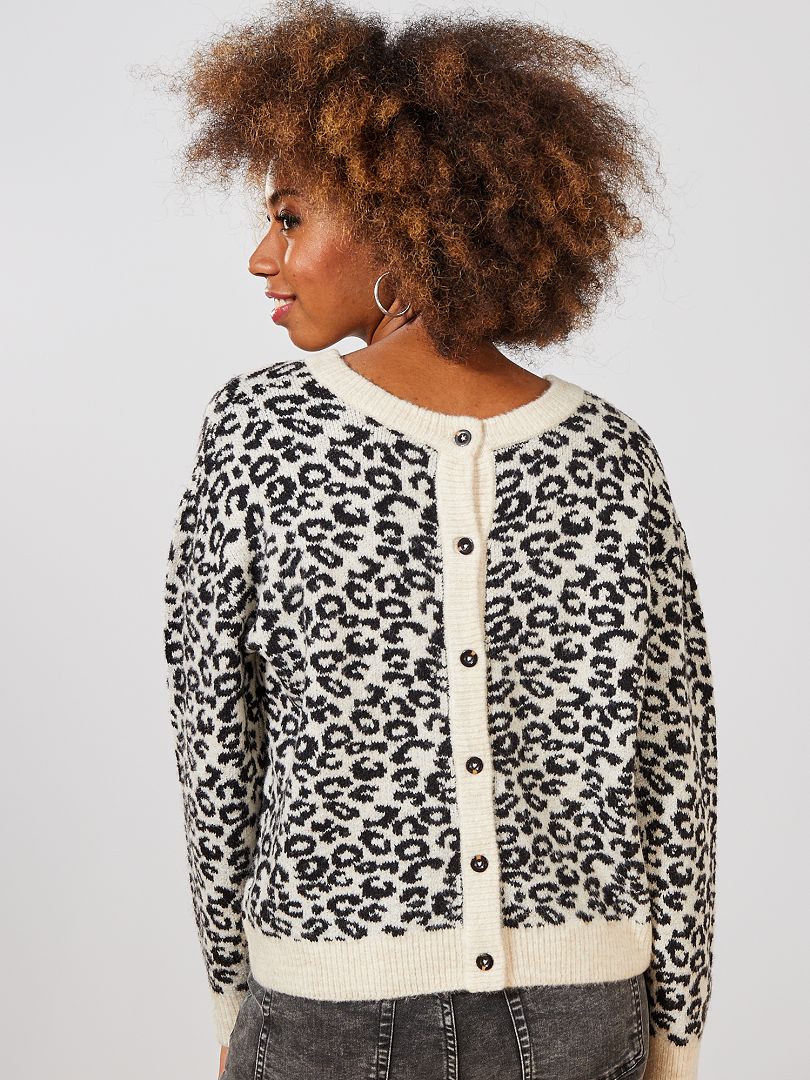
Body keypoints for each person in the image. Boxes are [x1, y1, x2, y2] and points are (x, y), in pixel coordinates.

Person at [160, 2, 717, 1078]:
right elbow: (676, 768)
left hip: (328, 1010)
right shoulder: (612, 452)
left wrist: (232, 995)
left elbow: (216, 744)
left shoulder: (259, 430)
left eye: (290, 217)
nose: (262, 257)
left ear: (398, 218)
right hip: (583, 1011)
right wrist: (677, 1030)